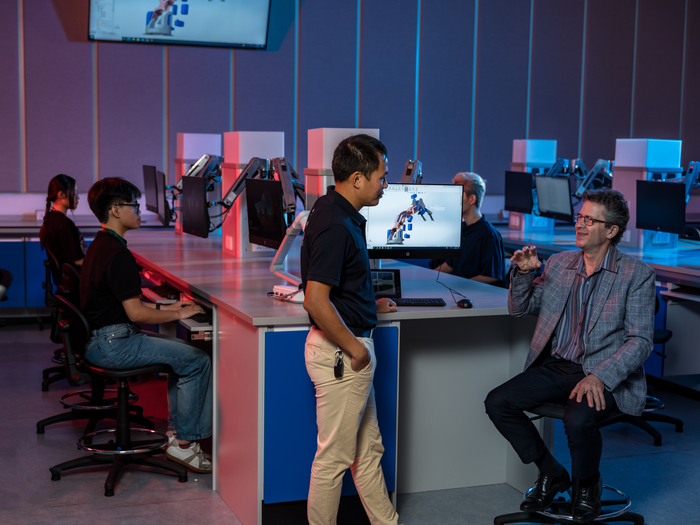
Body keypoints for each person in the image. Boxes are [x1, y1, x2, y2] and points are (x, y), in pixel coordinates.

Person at [484, 188, 655, 523]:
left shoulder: (636, 275)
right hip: (557, 366)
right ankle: (552, 472)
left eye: (590, 220)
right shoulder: (560, 264)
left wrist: (599, 376)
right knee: (498, 402)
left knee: (577, 419)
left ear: (611, 230)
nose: (580, 224)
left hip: (603, 372)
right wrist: (524, 274)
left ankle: (587, 484)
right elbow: (521, 309)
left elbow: (640, 341)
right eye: (580, 217)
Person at [79, 177, 213, 473]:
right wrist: (176, 316)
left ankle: (176, 436)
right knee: (197, 360)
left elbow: (126, 302)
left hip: (103, 338)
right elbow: (136, 313)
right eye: (134, 206)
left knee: (181, 354)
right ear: (115, 210)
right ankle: (185, 446)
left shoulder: (101, 245)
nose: (139, 211)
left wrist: (170, 306)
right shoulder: (118, 255)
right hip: (114, 344)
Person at [301, 134, 400, 525]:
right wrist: (356, 349)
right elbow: (315, 300)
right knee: (334, 460)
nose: (386, 184)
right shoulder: (336, 225)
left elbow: (335, 286)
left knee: (367, 451)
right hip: (343, 355)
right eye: (382, 177)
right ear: (357, 178)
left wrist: (366, 304)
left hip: (345, 350)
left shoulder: (333, 210)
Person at [430, 172, 505, 286]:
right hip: (457, 290)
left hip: (475, 293)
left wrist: (460, 285)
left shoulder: (489, 234)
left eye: (457, 195)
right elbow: (451, 265)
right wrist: (427, 277)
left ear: (472, 199)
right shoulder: (461, 229)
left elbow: (491, 275)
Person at [39, 174, 88, 283]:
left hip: (66, 281)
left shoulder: (51, 219)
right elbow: (78, 260)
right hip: (76, 282)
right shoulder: (64, 224)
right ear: (61, 195)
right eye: (75, 193)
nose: (78, 197)